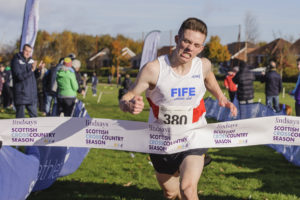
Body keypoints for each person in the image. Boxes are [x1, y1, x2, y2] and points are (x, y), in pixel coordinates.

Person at [119, 18, 237, 200]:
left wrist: (221, 96)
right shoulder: (154, 69)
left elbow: (208, 77)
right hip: (162, 142)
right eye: (187, 41)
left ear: (201, 48)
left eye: (196, 45)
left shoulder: (203, 65)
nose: (190, 48)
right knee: (171, 193)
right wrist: (129, 105)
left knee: (188, 189)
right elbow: (127, 97)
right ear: (177, 39)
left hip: (193, 137)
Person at [11, 44, 41, 118]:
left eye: (30, 52)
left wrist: (38, 70)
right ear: (22, 50)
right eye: (26, 51)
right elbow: (19, 77)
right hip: (21, 94)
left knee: (35, 119)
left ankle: (33, 130)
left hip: (31, 95)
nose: (28, 53)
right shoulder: (16, 60)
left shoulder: (32, 61)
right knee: (20, 121)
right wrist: (31, 70)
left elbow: (34, 76)